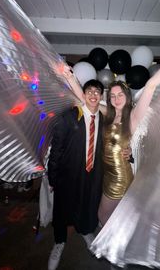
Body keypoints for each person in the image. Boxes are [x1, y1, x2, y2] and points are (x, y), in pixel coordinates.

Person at [61, 26, 160, 230]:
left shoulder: (133, 116)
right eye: (112, 95)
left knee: (104, 216)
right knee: (111, 217)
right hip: (106, 175)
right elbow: (84, 98)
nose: (115, 99)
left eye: (120, 95)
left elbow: (151, 85)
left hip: (120, 179)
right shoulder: (107, 113)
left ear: (127, 97)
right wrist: (69, 77)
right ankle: (118, 246)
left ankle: (117, 250)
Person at [47, 79, 104, 270]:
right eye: (89, 91)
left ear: (101, 96)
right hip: (68, 174)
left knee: (88, 204)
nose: (93, 94)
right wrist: (53, 177)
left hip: (93, 173)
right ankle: (59, 242)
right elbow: (56, 150)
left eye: (97, 91)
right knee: (62, 208)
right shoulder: (70, 117)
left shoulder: (104, 120)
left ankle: (86, 231)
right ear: (84, 94)